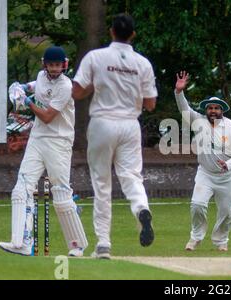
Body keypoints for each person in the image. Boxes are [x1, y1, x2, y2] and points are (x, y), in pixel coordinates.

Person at [72, 14, 157, 259]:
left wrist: (97, 85)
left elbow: (77, 92)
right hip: (130, 124)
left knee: (101, 184)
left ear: (111, 32)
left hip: (102, 123)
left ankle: (104, 244)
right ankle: (141, 208)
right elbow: (150, 103)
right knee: (131, 176)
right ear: (133, 35)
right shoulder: (142, 63)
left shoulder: (96, 57)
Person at [0, 46, 88, 257]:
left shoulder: (66, 86)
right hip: (38, 139)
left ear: (64, 65)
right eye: (51, 65)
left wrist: (26, 101)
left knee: (60, 193)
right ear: (44, 64)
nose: (55, 69)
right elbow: (34, 85)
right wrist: (20, 87)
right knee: (21, 188)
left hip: (59, 141)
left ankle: (77, 245)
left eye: (58, 65)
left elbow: (47, 117)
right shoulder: (41, 76)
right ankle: (21, 242)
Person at [174, 71, 231, 252]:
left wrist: (229, 164)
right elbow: (184, 109)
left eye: (216, 108)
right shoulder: (198, 121)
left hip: (227, 177)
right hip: (205, 174)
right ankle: (195, 238)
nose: (213, 111)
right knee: (197, 205)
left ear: (222, 110)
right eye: (210, 108)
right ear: (206, 110)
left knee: (227, 212)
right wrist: (179, 92)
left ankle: (221, 240)